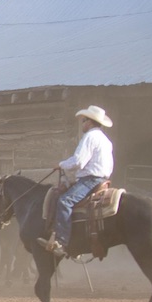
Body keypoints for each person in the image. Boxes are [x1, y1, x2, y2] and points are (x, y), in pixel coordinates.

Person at [38, 105, 114, 258]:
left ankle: (62, 242)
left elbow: (79, 162)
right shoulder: (105, 139)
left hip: (91, 179)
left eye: (84, 120)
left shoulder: (90, 137)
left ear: (90, 122)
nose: (82, 123)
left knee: (64, 201)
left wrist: (61, 164)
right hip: (101, 178)